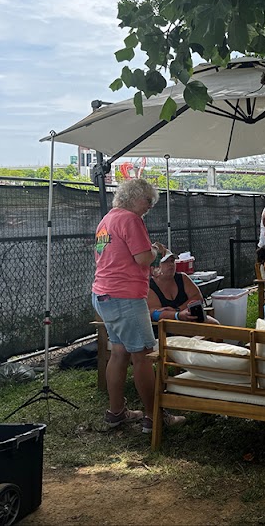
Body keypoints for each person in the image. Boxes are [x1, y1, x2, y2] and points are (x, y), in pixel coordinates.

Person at [91, 178, 185, 434]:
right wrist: (155, 251)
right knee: (143, 356)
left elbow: (111, 257)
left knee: (119, 352)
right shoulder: (131, 219)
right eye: (148, 200)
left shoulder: (107, 220)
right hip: (125, 298)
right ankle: (154, 416)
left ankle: (116, 413)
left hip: (103, 295)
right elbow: (143, 258)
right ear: (134, 197)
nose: (150, 206)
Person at [147, 251, 220, 325]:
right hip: (167, 326)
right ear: (154, 267)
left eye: (172, 261)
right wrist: (178, 315)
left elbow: (198, 298)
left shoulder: (182, 278)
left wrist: (178, 310)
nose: (171, 264)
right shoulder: (150, 286)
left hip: (190, 318)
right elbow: (154, 313)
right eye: (165, 262)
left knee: (215, 324)